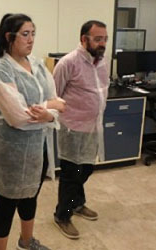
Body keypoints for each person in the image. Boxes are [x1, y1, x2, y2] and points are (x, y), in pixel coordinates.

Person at [0, 13, 66, 250]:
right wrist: (51, 109)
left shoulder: (38, 64)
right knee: (6, 204)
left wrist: (48, 111)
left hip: (36, 148)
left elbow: (58, 102)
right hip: (10, 151)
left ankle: (27, 241)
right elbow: (19, 118)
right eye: (25, 34)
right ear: (9, 37)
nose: (31, 40)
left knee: (30, 197)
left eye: (33, 34)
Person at [53, 20, 110, 239]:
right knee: (71, 173)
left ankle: (77, 203)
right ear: (84, 39)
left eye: (104, 38)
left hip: (93, 126)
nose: (102, 43)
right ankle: (62, 215)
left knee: (86, 169)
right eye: (98, 39)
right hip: (72, 128)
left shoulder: (102, 63)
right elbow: (54, 95)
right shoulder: (68, 63)